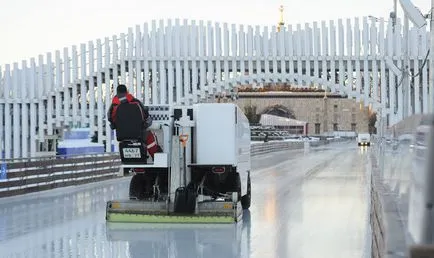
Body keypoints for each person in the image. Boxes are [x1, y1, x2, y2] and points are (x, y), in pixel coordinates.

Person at [107, 84, 161, 159]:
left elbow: (111, 120)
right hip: (139, 134)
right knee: (149, 137)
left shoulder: (113, 106)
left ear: (117, 93)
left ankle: (137, 167)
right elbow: (145, 115)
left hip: (122, 137)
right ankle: (157, 158)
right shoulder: (136, 102)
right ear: (127, 92)